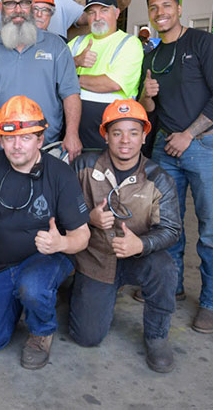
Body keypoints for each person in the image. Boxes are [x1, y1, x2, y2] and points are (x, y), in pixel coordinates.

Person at [0, 96, 90, 369]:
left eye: (26, 138)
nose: (17, 146)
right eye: (10, 138)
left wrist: (60, 242)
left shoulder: (60, 174)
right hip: (3, 264)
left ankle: (42, 330)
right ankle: (22, 298)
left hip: (47, 258)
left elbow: (83, 236)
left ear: (40, 140)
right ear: (1, 140)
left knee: (32, 286)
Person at [138, 0, 213, 334]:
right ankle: (172, 286)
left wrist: (189, 134)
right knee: (169, 225)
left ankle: (212, 300)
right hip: (167, 147)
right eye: (154, 7)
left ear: (179, 9)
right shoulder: (152, 55)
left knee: (210, 227)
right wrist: (148, 98)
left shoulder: (204, 44)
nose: (160, 11)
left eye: (166, 5)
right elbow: (149, 111)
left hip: (206, 146)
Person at [69, 99, 180, 373]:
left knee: (165, 268)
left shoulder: (159, 178)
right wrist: (88, 218)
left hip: (138, 258)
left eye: (133, 132)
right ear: (105, 135)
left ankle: (157, 336)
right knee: (87, 337)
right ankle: (73, 291)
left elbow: (171, 229)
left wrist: (140, 244)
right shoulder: (82, 166)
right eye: (117, 133)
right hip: (94, 258)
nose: (125, 141)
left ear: (144, 136)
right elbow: (59, 210)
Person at [0, 0, 83, 161]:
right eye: (11, 3)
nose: (18, 9)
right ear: (1, 7)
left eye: (24, 3)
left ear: (32, 6)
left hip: (46, 148)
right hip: (0, 150)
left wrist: (72, 133)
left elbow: (71, 93)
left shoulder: (57, 47)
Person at [68, 0, 143, 150]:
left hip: (113, 128)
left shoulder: (129, 43)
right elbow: (53, 75)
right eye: (92, 12)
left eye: (104, 10)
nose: (97, 17)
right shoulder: (76, 43)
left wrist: (72, 77)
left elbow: (112, 83)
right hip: (73, 127)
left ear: (116, 13)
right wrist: (76, 61)